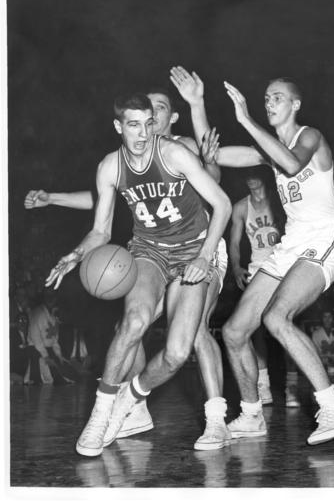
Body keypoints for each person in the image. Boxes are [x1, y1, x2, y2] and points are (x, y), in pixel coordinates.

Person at [25, 88, 231, 451]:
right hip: (149, 250)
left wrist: (204, 256)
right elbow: (101, 231)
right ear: (118, 126)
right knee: (133, 322)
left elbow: (223, 203)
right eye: (133, 126)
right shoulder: (110, 167)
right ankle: (100, 415)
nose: (141, 134)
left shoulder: (173, 153)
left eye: (147, 124)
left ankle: (131, 398)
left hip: (194, 250)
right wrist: (74, 256)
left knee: (178, 352)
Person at [198, 74, 334, 445]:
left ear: (295, 105)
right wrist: (196, 104)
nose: (269, 103)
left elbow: (292, 165)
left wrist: (246, 119)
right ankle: (251, 414)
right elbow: (213, 154)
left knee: (276, 317)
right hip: (291, 243)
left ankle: (332, 407)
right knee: (235, 332)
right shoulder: (270, 150)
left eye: (277, 97)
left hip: (324, 237)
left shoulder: (310, 136)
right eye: (266, 98)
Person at [229, 166, 299, 407]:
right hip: (257, 268)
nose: (249, 178)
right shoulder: (240, 207)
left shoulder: (279, 200)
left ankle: (292, 387)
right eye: (245, 174)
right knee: (254, 330)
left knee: (286, 324)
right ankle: (264, 385)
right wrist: (236, 267)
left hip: (284, 265)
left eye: (254, 173)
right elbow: (235, 243)